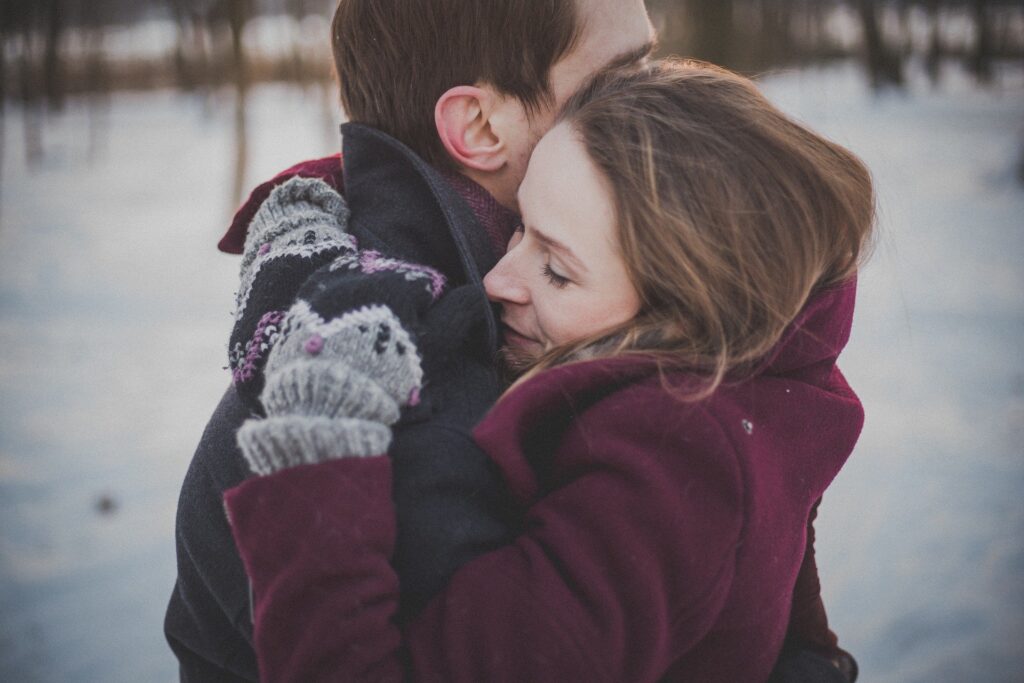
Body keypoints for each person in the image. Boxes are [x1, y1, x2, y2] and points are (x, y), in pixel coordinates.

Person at [221, 59, 874, 682]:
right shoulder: (765, 388)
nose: (499, 280)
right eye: (519, 227)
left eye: (557, 270)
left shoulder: (667, 475)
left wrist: (318, 442)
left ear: (684, 317)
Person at [165, 1, 660, 679]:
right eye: (622, 78)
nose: (665, 102)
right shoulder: (412, 402)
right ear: (480, 125)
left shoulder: (502, 300)